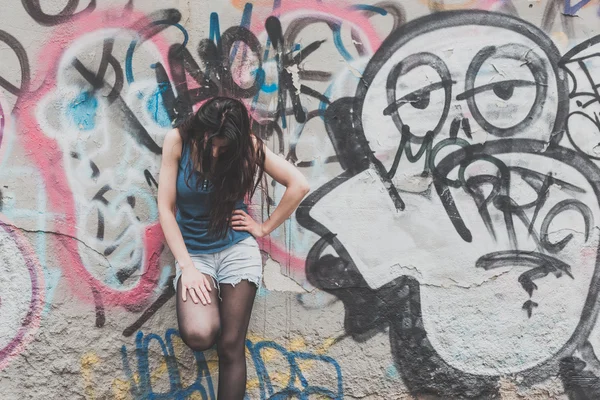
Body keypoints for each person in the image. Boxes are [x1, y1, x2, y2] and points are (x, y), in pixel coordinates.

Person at [157, 96, 309, 398]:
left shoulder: (248, 146)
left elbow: (299, 184)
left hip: (236, 251)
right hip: (194, 254)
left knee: (230, 345)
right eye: (210, 142)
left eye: (223, 147)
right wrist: (186, 267)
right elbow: (165, 208)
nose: (215, 151)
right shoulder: (177, 140)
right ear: (202, 129)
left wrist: (263, 228)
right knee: (200, 334)